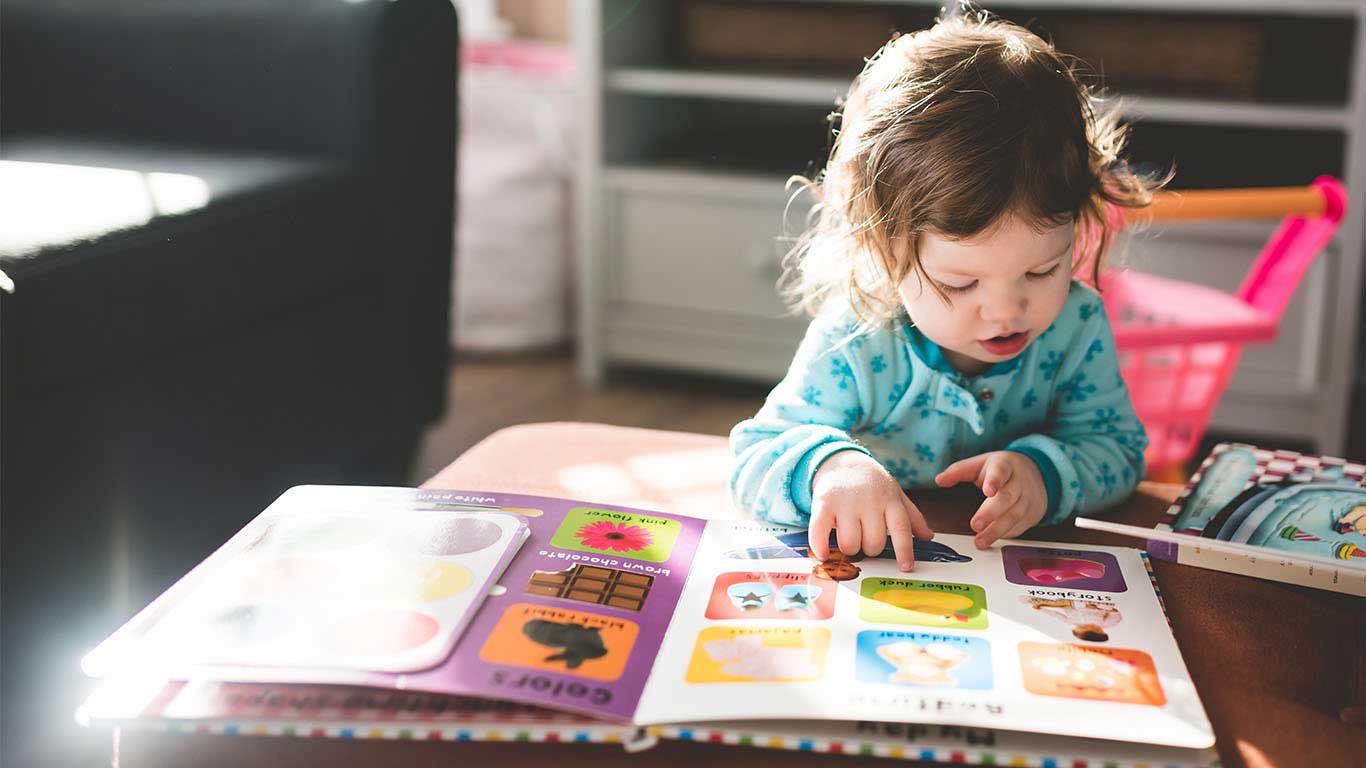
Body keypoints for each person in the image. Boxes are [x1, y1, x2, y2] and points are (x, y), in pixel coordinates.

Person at [729, 12, 1164, 571]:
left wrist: (1044, 473)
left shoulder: (1076, 326)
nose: (1008, 309)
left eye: (1042, 271)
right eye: (961, 283)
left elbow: (1119, 453)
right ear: (884, 253)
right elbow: (755, 455)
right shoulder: (857, 339)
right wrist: (831, 468)